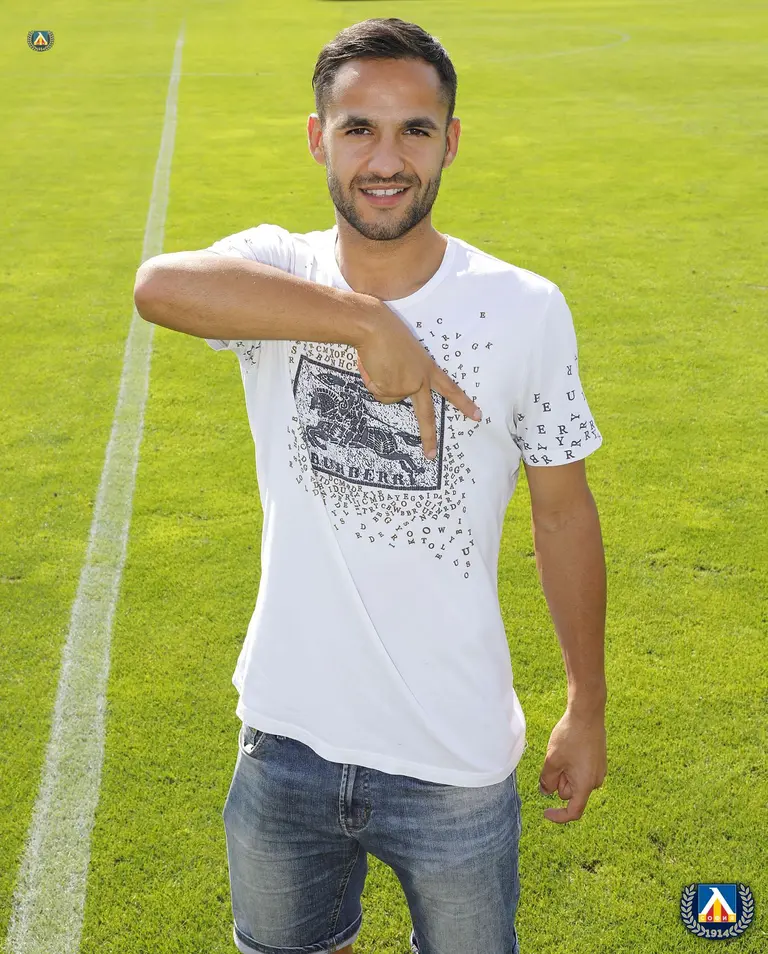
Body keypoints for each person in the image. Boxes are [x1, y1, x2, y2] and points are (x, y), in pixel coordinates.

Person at [133, 16, 607, 954]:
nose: (385, 161)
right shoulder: (280, 270)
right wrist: (364, 322)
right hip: (285, 743)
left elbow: (563, 515)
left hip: (455, 760)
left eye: (413, 130)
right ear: (318, 138)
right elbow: (159, 286)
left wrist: (585, 705)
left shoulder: (523, 307)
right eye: (358, 129)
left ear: (451, 140)